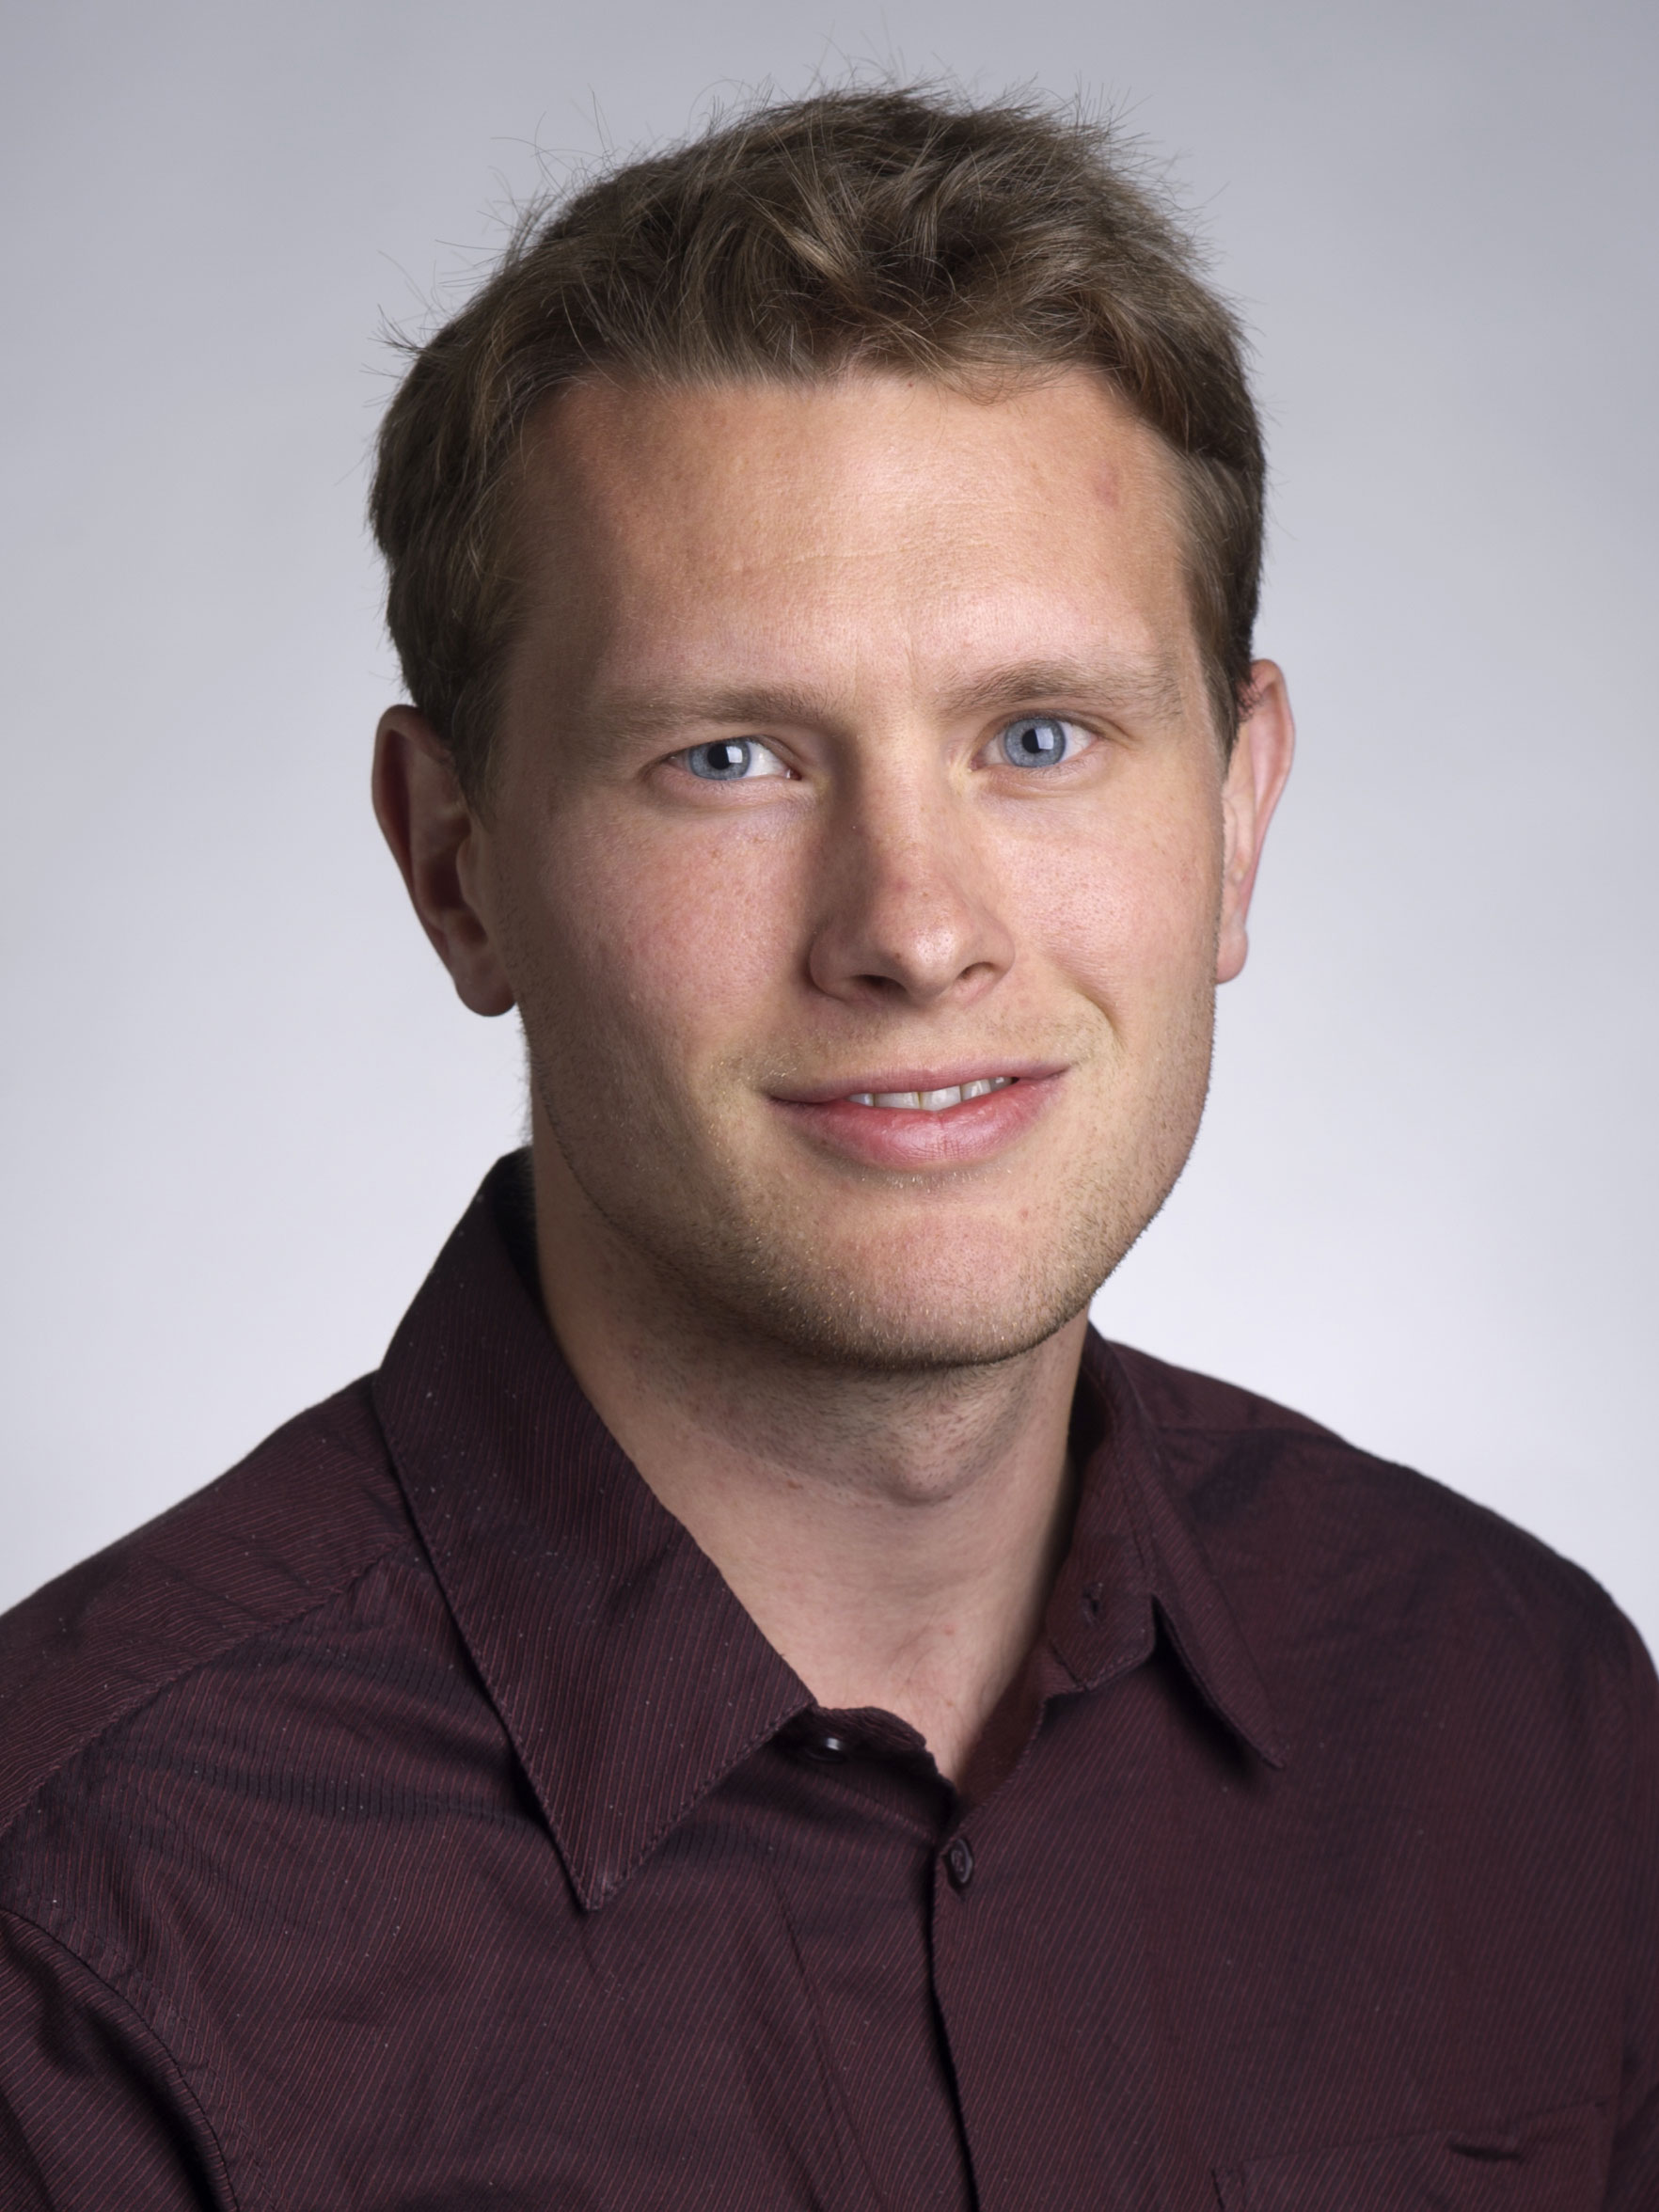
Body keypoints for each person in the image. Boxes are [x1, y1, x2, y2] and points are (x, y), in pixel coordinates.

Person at [0, 83, 1652, 2210]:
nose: (914, 930)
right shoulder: (83, 1928)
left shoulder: (1526, 1719)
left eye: (1038, 738)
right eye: (730, 758)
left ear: (1238, 817)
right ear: (456, 867)